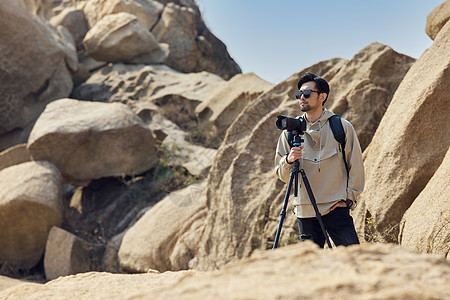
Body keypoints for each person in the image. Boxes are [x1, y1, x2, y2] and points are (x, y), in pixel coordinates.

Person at [274, 72, 364, 248]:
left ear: (322, 96)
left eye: (307, 94)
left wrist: (347, 200)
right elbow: (281, 175)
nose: (302, 98)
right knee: (309, 269)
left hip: (335, 207)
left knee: (353, 260)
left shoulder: (342, 127)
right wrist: (289, 160)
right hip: (305, 211)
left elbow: (356, 167)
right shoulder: (289, 133)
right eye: (299, 94)